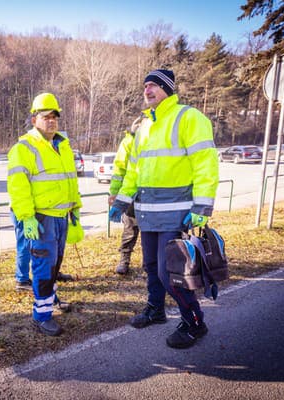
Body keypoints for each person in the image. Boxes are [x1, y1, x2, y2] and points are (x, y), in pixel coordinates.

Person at [109, 69, 219, 349]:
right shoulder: (144, 126)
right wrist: (122, 200)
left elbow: (205, 164)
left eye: (154, 85)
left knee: (170, 274)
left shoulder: (188, 117)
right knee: (151, 267)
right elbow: (133, 170)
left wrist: (202, 207)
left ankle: (195, 322)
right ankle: (156, 310)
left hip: (176, 213)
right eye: (145, 85)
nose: (147, 90)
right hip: (147, 214)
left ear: (168, 88)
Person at [7, 92, 82, 336]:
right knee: (42, 267)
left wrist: (75, 211)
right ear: (34, 119)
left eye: (54, 116)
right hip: (40, 219)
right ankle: (42, 315)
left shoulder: (63, 146)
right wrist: (26, 216)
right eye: (45, 116)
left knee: (55, 264)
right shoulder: (24, 148)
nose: (51, 120)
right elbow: (18, 186)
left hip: (61, 217)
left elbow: (71, 181)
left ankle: (49, 298)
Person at [109, 128, 139, 275]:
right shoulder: (128, 142)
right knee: (130, 229)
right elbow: (119, 170)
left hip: (153, 194)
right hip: (130, 195)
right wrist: (115, 192)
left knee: (152, 231)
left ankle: (151, 262)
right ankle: (124, 260)